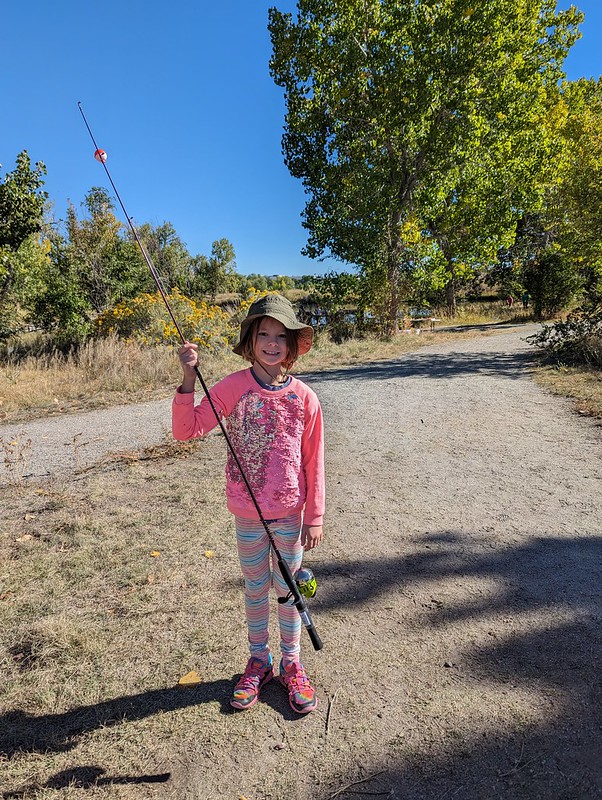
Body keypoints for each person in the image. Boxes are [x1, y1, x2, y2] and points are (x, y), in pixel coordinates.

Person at [172, 294, 324, 715]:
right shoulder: (231, 387)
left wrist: (315, 516)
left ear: (292, 346)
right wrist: (189, 376)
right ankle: (260, 660)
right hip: (248, 516)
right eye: (264, 334)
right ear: (250, 340)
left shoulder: (306, 397)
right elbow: (187, 430)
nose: (272, 343)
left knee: (290, 591)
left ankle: (292, 663)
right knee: (256, 589)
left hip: (291, 515)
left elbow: (314, 461)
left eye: (281, 336)